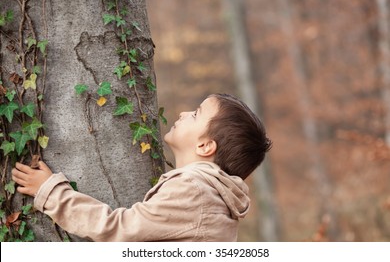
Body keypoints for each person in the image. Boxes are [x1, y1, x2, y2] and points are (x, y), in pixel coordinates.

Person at [11, 93, 272, 241]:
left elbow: (120, 230)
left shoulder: (194, 190)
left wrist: (51, 193)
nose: (182, 114)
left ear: (205, 146)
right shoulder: (211, 195)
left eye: (195, 114)